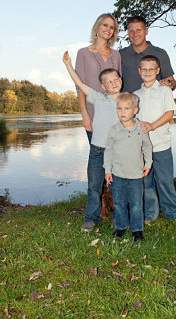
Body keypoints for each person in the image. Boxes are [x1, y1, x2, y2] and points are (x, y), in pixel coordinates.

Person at [63, 51, 122, 232]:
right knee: (94, 186)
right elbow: (80, 84)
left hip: (119, 151)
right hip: (98, 150)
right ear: (103, 87)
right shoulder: (99, 97)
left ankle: (118, 217)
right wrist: (67, 65)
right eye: (108, 82)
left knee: (118, 187)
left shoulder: (129, 99)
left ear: (121, 80)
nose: (113, 83)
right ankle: (91, 218)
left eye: (116, 79)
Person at [135, 55, 176, 228]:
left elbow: (169, 114)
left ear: (157, 71)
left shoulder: (164, 90)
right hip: (142, 149)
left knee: (165, 181)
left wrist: (152, 125)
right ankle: (151, 213)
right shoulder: (134, 95)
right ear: (139, 71)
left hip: (161, 145)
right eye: (144, 69)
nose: (147, 72)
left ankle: (174, 213)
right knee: (146, 183)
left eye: (151, 69)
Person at [75, 13, 121, 217]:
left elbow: (118, 85)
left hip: (115, 117)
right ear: (97, 27)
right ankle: (100, 202)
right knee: (97, 160)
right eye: (105, 25)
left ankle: (114, 201)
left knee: (116, 158)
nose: (108, 29)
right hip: (94, 115)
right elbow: (79, 87)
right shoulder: (83, 53)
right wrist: (85, 114)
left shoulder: (116, 55)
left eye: (112, 27)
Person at [104, 92, 152, 242]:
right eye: (119, 108)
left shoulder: (141, 128)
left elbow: (147, 147)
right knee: (119, 203)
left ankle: (137, 230)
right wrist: (107, 170)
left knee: (137, 204)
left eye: (126, 109)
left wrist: (148, 164)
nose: (122, 112)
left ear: (135, 110)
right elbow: (109, 150)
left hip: (136, 175)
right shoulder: (114, 129)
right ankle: (121, 226)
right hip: (117, 174)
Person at [119, 15, 176, 92]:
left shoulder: (160, 54)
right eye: (131, 31)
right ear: (128, 33)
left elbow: (172, 82)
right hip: (127, 103)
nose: (135, 34)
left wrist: (169, 84)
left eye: (139, 30)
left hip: (154, 103)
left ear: (146, 31)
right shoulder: (120, 55)